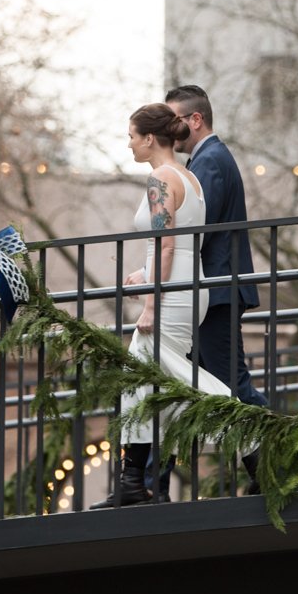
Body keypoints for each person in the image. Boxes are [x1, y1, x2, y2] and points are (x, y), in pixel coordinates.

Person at [90, 103, 232, 508]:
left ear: (149, 138)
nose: (129, 144)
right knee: (149, 382)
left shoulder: (159, 179)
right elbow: (177, 243)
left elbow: (165, 243)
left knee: (170, 380)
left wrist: (150, 302)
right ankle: (133, 482)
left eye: (131, 136)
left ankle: (254, 435)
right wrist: (143, 272)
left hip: (172, 294)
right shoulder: (189, 177)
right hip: (189, 283)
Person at [165, 84, 267, 491]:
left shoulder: (209, 161)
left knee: (230, 386)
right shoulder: (208, 159)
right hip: (215, 291)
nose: (170, 129)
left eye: (175, 119)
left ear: (195, 119)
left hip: (216, 293)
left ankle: (296, 466)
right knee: (199, 386)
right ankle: (147, 479)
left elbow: (194, 231)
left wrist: (157, 270)